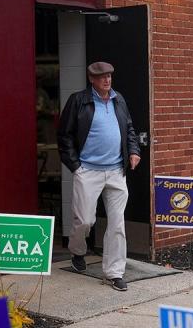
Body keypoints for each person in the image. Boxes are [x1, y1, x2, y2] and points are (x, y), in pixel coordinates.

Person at [58, 62, 141, 291]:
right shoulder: (78, 100)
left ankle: (114, 273)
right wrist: (75, 166)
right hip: (88, 170)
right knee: (84, 220)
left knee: (117, 224)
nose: (107, 80)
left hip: (116, 171)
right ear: (91, 79)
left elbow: (129, 128)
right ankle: (77, 252)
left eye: (109, 76)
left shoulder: (118, 99)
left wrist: (133, 151)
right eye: (101, 77)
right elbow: (64, 136)